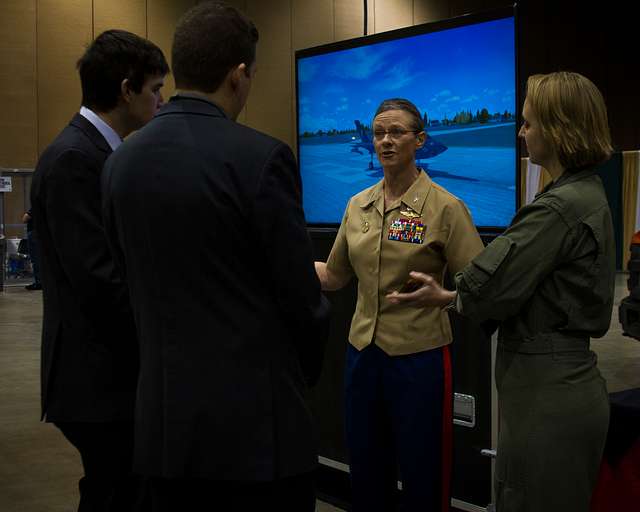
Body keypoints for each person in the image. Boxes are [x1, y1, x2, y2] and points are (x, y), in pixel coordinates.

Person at [100, 3, 330, 511]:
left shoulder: (120, 164)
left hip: (162, 431)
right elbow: (301, 301)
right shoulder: (261, 159)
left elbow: (124, 283)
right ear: (239, 75)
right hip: (256, 439)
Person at [391, 71, 615, 512]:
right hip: (558, 383)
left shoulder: (556, 209)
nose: (520, 132)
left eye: (529, 123)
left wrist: (453, 294)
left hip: (546, 392)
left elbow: (484, 283)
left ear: (558, 129)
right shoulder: (586, 194)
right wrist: (451, 296)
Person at [315, 98, 484, 512]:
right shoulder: (357, 206)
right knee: (368, 470)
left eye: (396, 133)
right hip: (362, 357)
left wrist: (446, 297)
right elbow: (334, 276)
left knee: (424, 471)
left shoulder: (446, 208)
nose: (385, 142)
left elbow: (482, 287)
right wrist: (279, 261)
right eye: (379, 134)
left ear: (419, 140)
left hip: (419, 359)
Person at [30, 30, 169, 511]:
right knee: (118, 490)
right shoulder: (76, 159)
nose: (160, 101)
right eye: (154, 90)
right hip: (95, 381)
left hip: (101, 375)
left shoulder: (94, 152)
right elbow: (98, 278)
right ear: (127, 89)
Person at [22, 209, 42, 290]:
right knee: (40, 259)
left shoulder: (36, 207)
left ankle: (39, 283)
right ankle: (40, 282)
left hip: (33, 233)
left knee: (35, 259)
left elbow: (24, 219)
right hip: (40, 234)